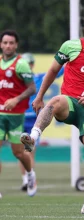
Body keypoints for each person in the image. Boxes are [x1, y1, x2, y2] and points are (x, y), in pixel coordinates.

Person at [20, 11, 84, 214]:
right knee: (56, 101)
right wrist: (39, 96)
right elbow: (51, 71)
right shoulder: (71, 46)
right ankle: (33, 138)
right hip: (71, 103)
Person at [19, 53, 64, 191]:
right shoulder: (14, 81)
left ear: (32, 65)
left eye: (29, 64)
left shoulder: (39, 78)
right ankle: (26, 179)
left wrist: (70, 58)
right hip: (18, 117)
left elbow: (59, 70)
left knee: (30, 150)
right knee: (20, 152)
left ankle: (29, 178)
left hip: (33, 118)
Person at [0, 30, 37, 197]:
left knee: (18, 152)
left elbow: (32, 88)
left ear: (16, 45)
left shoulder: (21, 64)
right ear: (1, 44)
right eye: (5, 42)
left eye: (11, 43)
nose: (8, 45)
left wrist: (16, 99)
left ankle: (30, 175)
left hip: (16, 116)